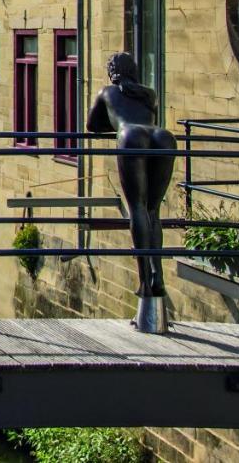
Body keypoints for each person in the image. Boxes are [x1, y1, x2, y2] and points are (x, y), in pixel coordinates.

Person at [86, 52, 176, 299]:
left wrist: (117, 126)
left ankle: (144, 282)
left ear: (113, 72)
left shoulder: (107, 93)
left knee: (137, 207)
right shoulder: (150, 94)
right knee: (153, 210)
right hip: (162, 136)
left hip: (131, 136)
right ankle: (159, 275)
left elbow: (92, 125)